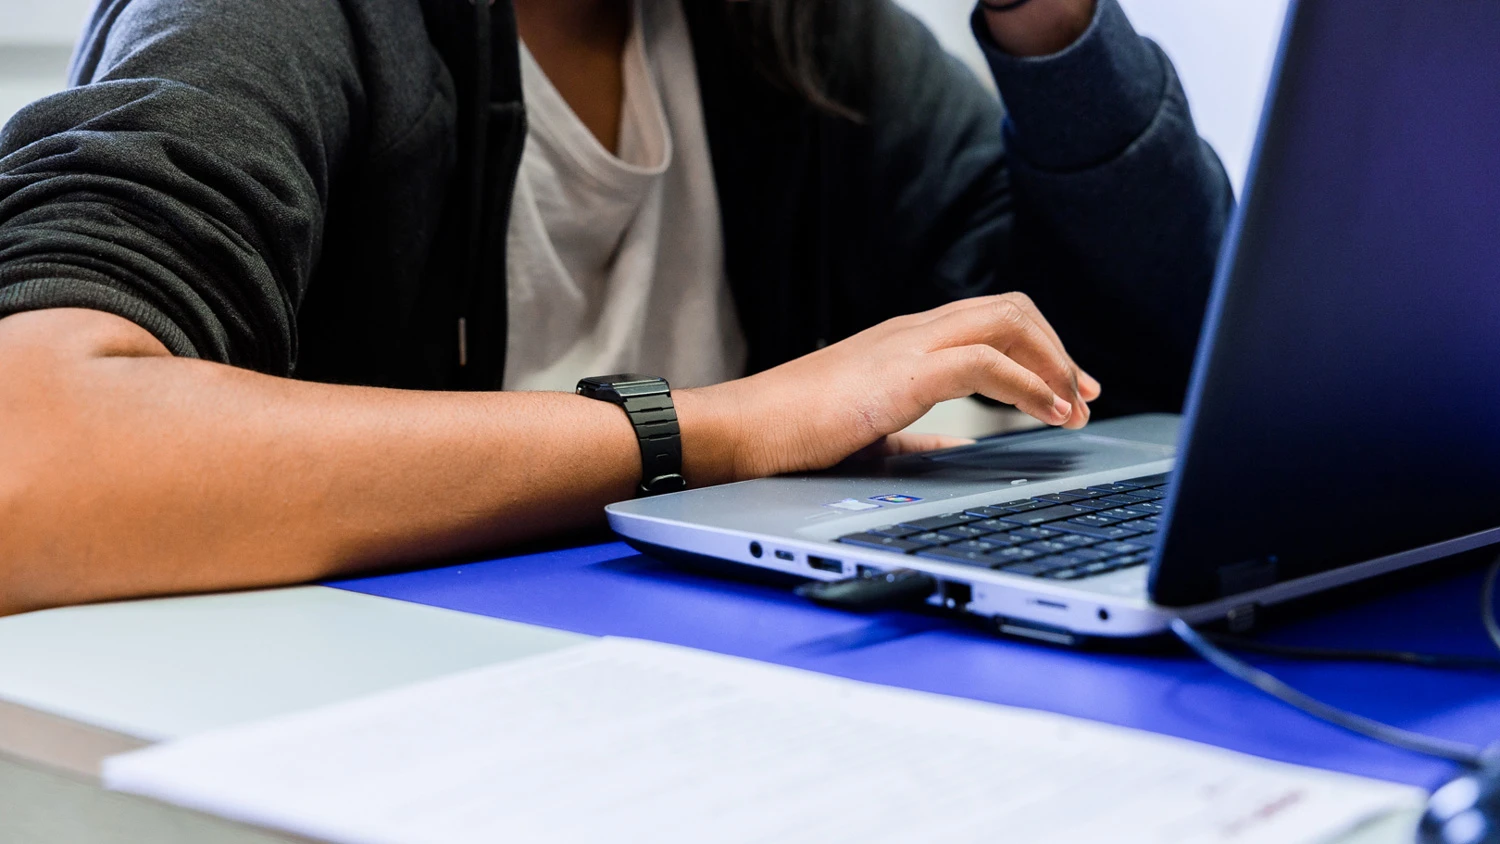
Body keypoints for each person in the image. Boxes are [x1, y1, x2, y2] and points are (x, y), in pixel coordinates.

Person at [0, 0, 1231, 616]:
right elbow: (33, 452)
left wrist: (1052, 26)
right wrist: (715, 428)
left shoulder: (803, 34)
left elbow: (1163, 373)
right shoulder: (281, 22)